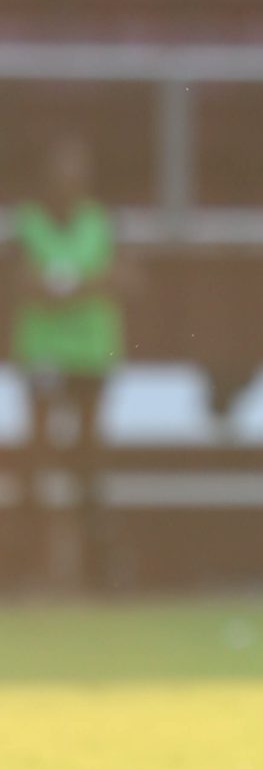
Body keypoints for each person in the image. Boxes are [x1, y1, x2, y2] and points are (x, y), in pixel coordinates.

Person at [9, 136, 125, 587]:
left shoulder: (100, 221)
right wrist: (83, 285)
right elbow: (21, 283)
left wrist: (63, 286)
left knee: (89, 463)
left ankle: (96, 572)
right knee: (35, 464)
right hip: (42, 355)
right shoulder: (28, 223)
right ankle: (27, 569)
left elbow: (122, 277)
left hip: (91, 355)